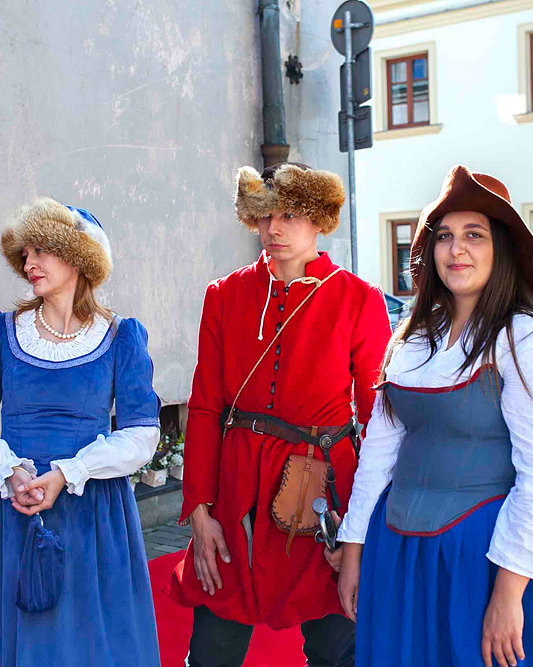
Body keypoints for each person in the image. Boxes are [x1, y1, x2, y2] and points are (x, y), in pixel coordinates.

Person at [336, 166, 533, 667]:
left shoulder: (527, 339)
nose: (457, 249)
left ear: (501, 249)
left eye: (473, 235)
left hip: (502, 555)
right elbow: (380, 450)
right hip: (407, 552)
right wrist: (353, 548)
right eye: (445, 236)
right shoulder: (412, 338)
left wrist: (508, 594)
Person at [169, 163, 391, 667]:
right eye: (266, 215)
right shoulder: (224, 295)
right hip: (237, 485)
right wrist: (199, 510)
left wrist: (360, 525)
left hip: (325, 491)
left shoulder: (359, 298)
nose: (275, 228)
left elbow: (380, 420)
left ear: (317, 220)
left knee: (337, 649)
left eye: (290, 215)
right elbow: (204, 407)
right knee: (212, 650)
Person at [0, 198, 161, 666]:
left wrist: (69, 473)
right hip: (13, 507)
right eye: (25, 254)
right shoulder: (2, 331)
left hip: (93, 514)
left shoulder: (119, 336)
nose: (29, 263)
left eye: (42, 250)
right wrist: (10, 471)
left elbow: (142, 434)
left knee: (87, 641)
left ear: (78, 257)